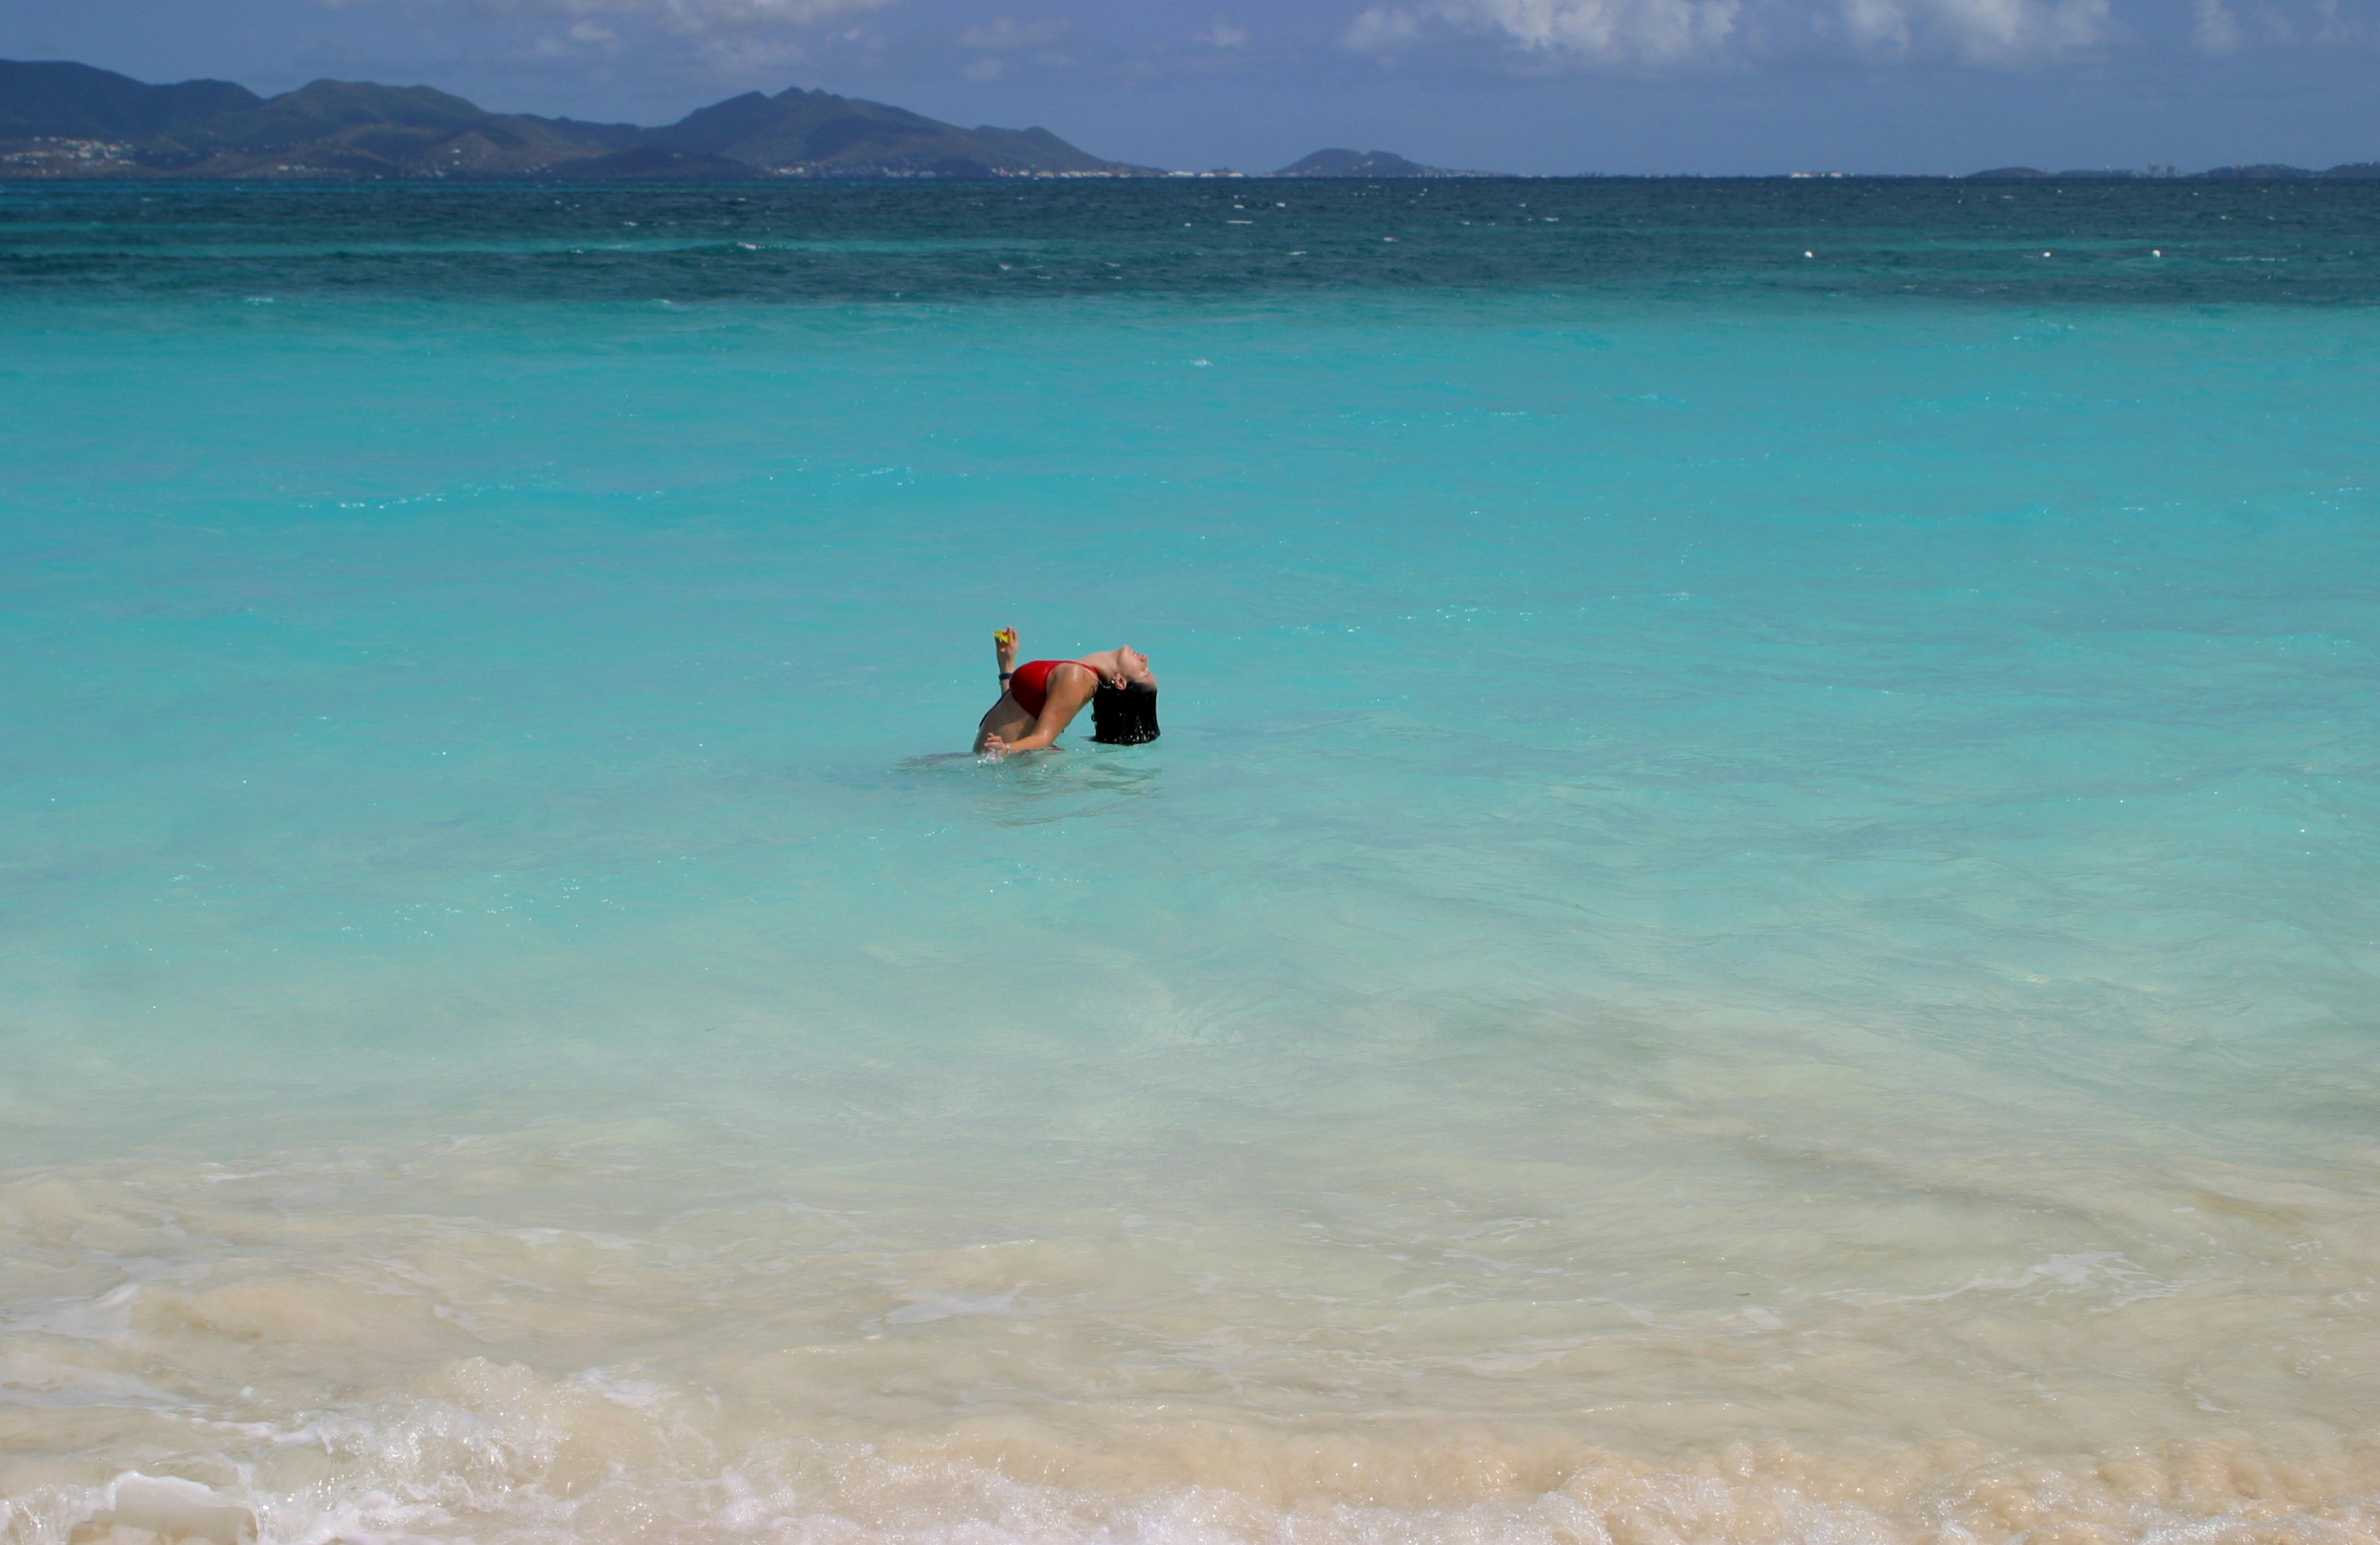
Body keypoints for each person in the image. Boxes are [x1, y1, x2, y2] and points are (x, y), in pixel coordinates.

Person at [976, 627, 1160, 755]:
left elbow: (1043, 737)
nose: (1145, 658)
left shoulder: (1079, 677)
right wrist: (1006, 664)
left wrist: (1006, 749)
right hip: (998, 764)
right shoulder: (1079, 673)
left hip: (1006, 770)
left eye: (1144, 670)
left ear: (1121, 682)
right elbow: (1021, 712)